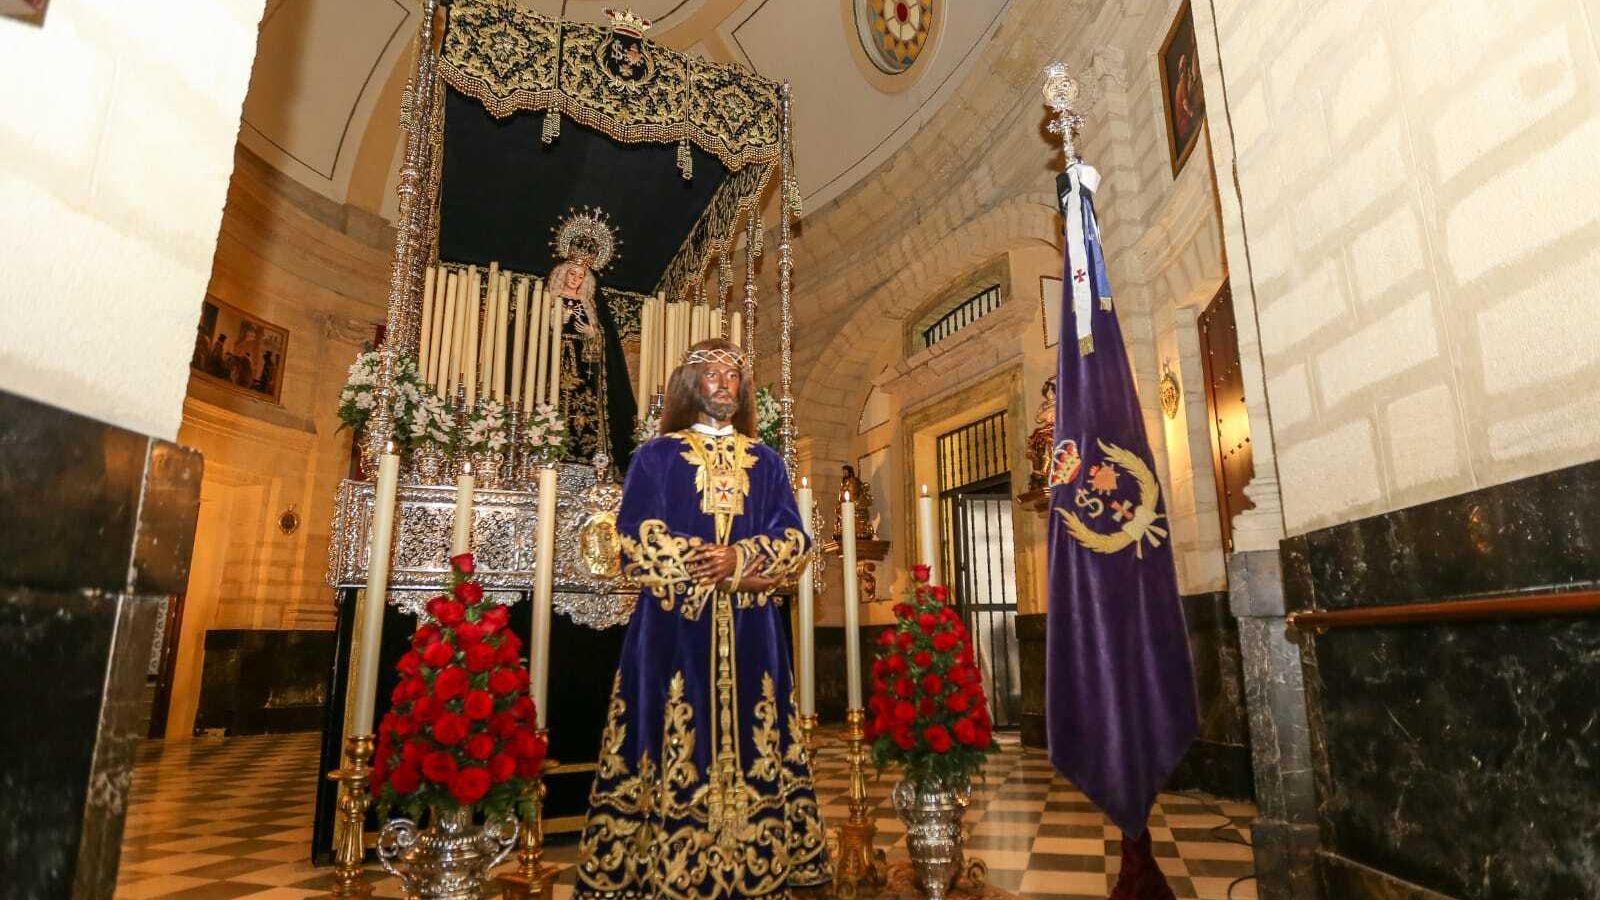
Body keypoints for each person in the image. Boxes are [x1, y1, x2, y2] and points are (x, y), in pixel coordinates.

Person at [573, 338, 831, 899]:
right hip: (672, 629)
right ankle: (652, 867)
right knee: (666, 735)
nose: (723, 384)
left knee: (759, 735)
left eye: (733, 376)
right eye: (712, 374)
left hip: (751, 631)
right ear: (690, 386)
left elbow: (794, 538)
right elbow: (634, 538)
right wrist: (698, 560)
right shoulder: (656, 457)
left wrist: (739, 559)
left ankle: (761, 861)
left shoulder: (767, 462)